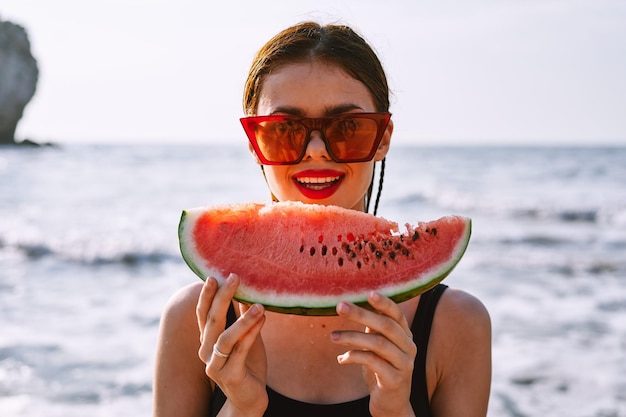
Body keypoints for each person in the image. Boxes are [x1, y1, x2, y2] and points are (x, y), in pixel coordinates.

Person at [153, 21, 491, 417]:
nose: (315, 150)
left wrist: (396, 411)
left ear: (382, 138)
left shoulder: (455, 325)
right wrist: (242, 408)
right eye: (285, 130)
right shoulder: (195, 321)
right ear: (254, 143)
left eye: (347, 127)